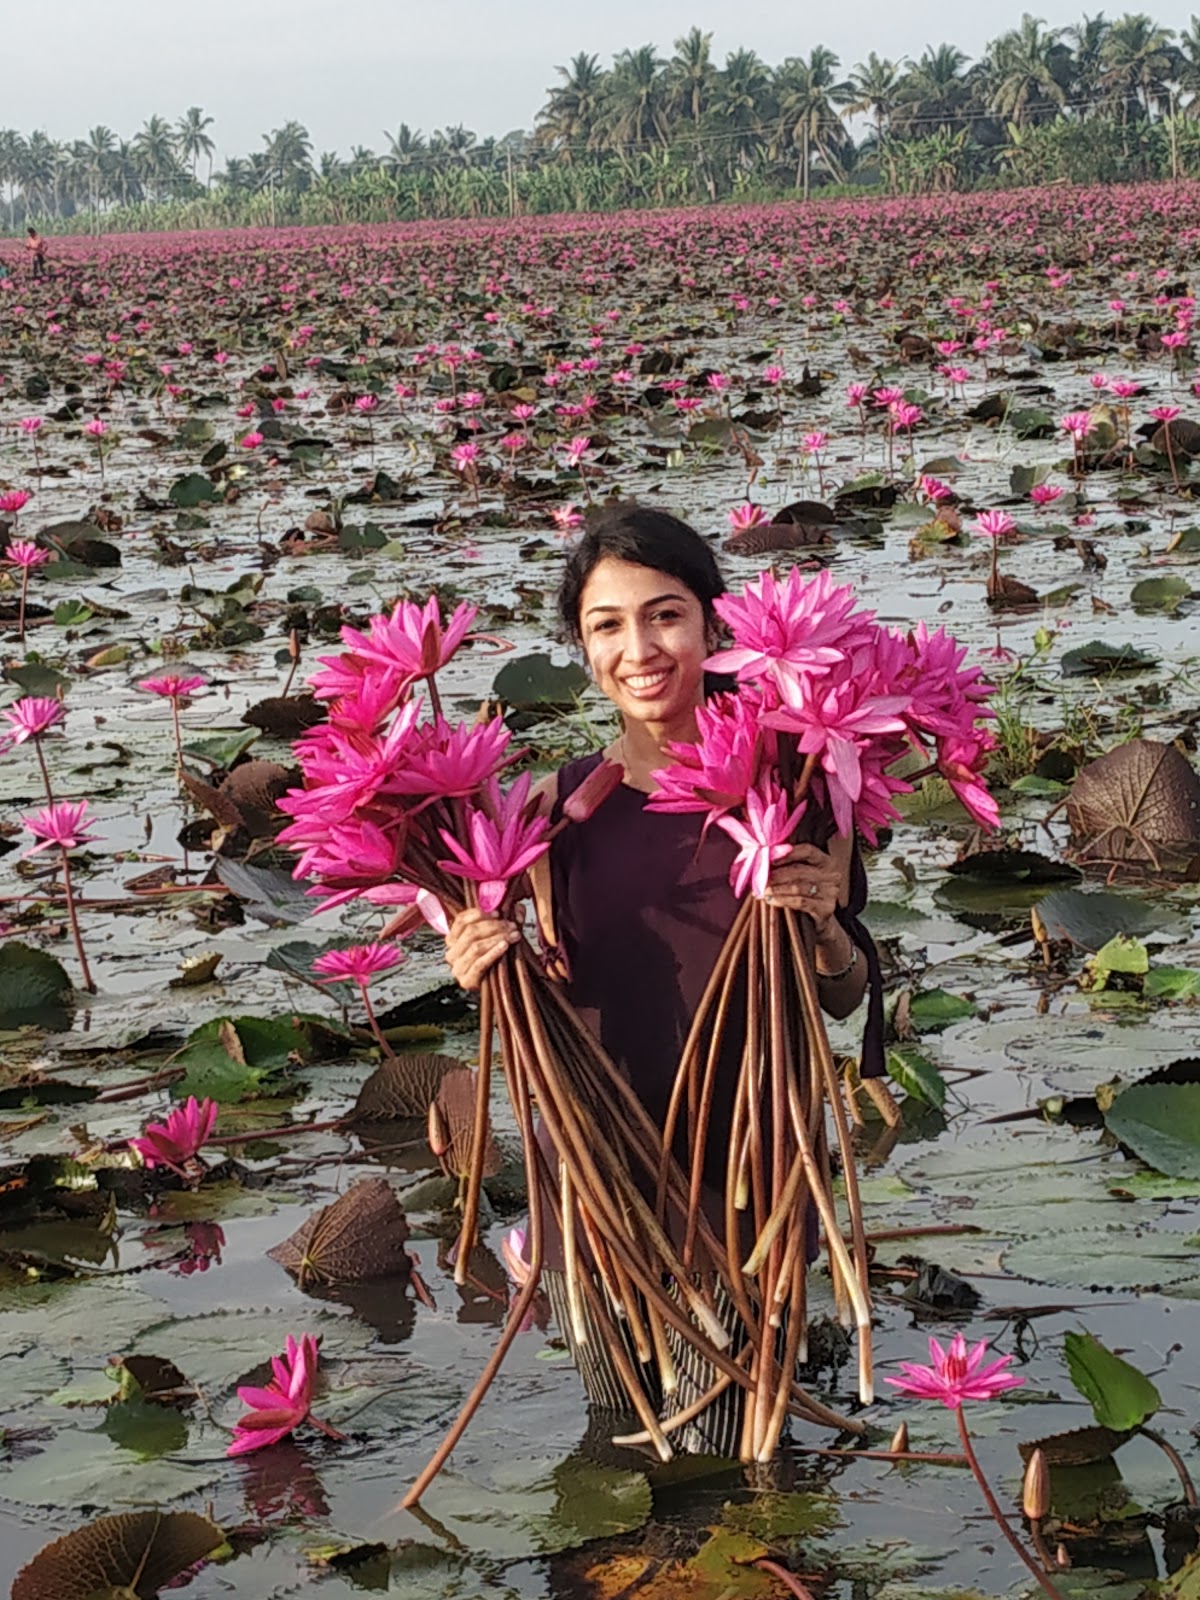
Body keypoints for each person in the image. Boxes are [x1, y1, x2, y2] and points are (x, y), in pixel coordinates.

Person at [444, 503, 879, 1453]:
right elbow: (534, 997)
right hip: (596, 1191)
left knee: (738, 1459)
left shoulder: (802, 790)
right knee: (620, 1444)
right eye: (607, 625)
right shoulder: (550, 812)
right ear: (583, 648)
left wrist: (823, 932)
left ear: (716, 626)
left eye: (665, 614)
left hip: (745, 1189)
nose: (639, 647)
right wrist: (479, 963)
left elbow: (846, 995)